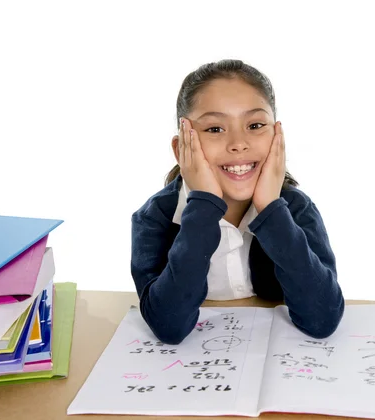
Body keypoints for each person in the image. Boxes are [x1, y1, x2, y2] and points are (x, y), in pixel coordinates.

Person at [131, 59, 344, 344]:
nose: (238, 143)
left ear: (277, 136)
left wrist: (270, 207)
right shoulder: (155, 217)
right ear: (181, 146)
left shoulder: (294, 208)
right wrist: (204, 205)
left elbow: (323, 320)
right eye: (215, 129)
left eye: (255, 125)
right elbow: (170, 326)